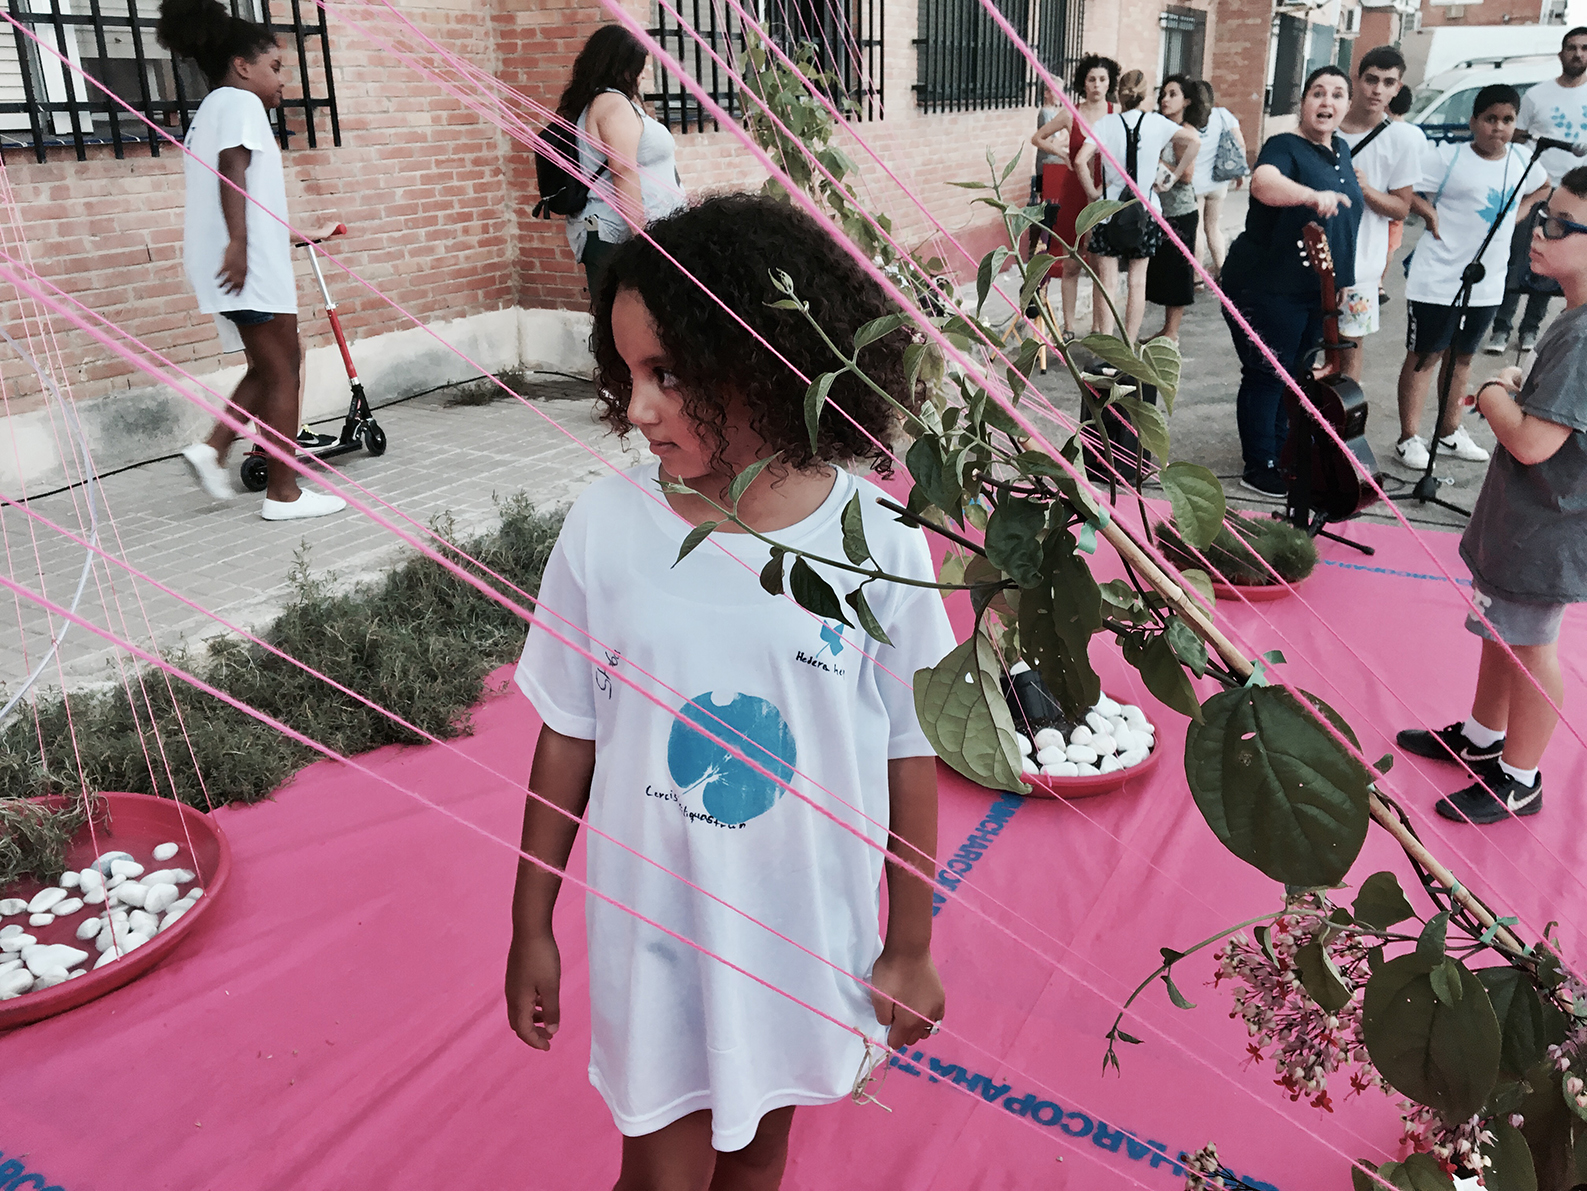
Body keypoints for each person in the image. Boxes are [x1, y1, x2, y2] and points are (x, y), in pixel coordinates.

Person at [505, 193, 954, 1188]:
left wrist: (910, 941)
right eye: (628, 373)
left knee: (756, 1158)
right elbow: (568, 732)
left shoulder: (882, 543)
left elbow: (908, 746)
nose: (638, 409)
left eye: (667, 374)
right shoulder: (604, 529)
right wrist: (530, 921)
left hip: (800, 931)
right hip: (651, 930)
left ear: (764, 362)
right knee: (658, 1174)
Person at [1395, 167, 1587, 824]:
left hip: (1547, 531)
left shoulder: (1583, 336)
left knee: (1529, 650)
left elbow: (1533, 443)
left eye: (1559, 225)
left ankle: (1520, 778)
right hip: (1523, 521)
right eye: (1543, 217)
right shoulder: (1572, 317)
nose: (1540, 232)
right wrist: (1515, 388)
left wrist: (1492, 392)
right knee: (1502, 635)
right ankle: (1482, 739)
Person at [158, 0, 346, 520]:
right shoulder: (240, 104)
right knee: (283, 371)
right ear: (242, 65)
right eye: (275, 67)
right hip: (246, 262)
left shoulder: (213, 109)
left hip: (240, 256)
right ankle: (283, 493)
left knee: (273, 364)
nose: (282, 80)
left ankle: (214, 448)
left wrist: (288, 232)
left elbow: (244, 193)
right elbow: (231, 173)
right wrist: (240, 245)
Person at [1218, 66, 1362, 496]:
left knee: (1298, 374)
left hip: (1315, 289)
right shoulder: (1284, 146)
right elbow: (1263, 183)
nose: (1326, 101)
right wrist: (1310, 196)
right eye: (1317, 92)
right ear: (1303, 102)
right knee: (1268, 373)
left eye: (1337, 94)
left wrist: (1343, 280)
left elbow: (1346, 220)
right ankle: (1260, 463)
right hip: (1265, 285)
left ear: (1347, 105)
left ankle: (1283, 452)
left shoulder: (1340, 150)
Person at [1396, 85, 1549, 471]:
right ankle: (1409, 437)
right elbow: (1403, 186)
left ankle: (1449, 431)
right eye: (1490, 118)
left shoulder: (1523, 160)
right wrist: (1428, 213)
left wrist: (1516, 215)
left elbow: (1543, 187)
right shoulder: (1447, 157)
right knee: (1425, 356)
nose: (1498, 127)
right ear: (1473, 121)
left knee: (1462, 358)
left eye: (1507, 120)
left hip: (1487, 282)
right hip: (1439, 277)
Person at [556, 26, 686, 298]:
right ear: (623, 67)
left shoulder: (605, 102)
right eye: (638, 67)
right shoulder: (613, 105)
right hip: (622, 238)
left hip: (629, 236)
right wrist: (645, 240)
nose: (642, 75)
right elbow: (623, 173)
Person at [1073, 70, 1198, 343]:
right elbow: (1194, 141)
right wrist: (1173, 176)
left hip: (1108, 212)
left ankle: (1106, 344)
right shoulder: (1157, 123)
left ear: (1118, 94)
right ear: (1145, 95)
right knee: (1137, 282)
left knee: (1107, 283)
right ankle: (1129, 344)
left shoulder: (1105, 124)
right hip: (1146, 211)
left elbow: (1080, 160)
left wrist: (1093, 193)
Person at [1487, 27, 1587, 355]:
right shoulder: (1536, 96)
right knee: (1520, 257)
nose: (1578, 54)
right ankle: (1501, 328)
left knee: (1553, 265)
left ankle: (1530, 329)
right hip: (1537, 189)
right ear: (1561, 53)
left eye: (1584, 48)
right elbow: (1516, 136)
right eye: (1571, 47)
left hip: (1577, 196)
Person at [1336, 46, 1423, 383]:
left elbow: (1401, 207)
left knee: (1350, 348)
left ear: (1397, 89)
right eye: (1371, 80)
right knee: (1305, 346)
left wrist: (1366, 189)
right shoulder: (1328, 125)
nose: (1377, 90)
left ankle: (1340, 416)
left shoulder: (1401, 139)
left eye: (1388, 83)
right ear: (1357, 80)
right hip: (1313, 259)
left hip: (1362, 267)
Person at [1031, 54, 1119, 337]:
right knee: (1071, 261)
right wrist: (1061, 153)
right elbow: (1037, 138)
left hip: (1104, 190)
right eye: (1092, 79)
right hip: (1074, 190)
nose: (1097, 85)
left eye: (1102, 79)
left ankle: (1096, 327)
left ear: (1110, 83)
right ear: (1084, 82)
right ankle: (1068, 327)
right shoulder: (1071, 112)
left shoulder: (1116, 112)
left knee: (1099, 265)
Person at [1144, 75, 1205, 342]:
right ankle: (1166, 329)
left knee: (1178, 271)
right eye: (1163, 95)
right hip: (1160, 209)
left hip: (1180, 211)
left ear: (1186, 101)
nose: (1165, 100)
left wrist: (1155, 162)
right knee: (1163, 270)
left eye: (1172, 95)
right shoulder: (1162, 127)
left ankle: (1172, 332)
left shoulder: (1185, 133)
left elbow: (1187, 175)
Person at [1191, 80, 1246, 278]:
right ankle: (1222, 270)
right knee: (1213, 228)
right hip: (1218, 181)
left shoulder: (1189, 119)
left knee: (1197, 231)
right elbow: (1240, 144)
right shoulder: (1223, 115)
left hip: (1195, 184)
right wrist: (1239, 172)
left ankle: (1196, 277)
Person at [1380, 82, 1426, 296]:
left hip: (1379, 193)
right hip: (1402, 196)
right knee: (1390, 245)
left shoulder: (1381, 129)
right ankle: (1380, 283)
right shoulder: (1416, 134)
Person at [1028, 83, 1064, 261]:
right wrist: (1062, 140)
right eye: (1057, 91)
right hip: (1046, 166)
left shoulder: (1055, 113)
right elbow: (1052, 141)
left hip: (1054, 165)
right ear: (1048, 92)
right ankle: (1038, 248)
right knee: (1046, 208)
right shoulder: (1045, 113)